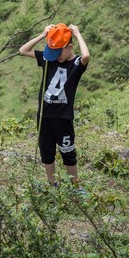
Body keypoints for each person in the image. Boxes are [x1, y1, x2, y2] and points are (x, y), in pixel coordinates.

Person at [18, 23, 90, 187]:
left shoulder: (76, 64)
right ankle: (52, 184)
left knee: (68, 152)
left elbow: (86, 56)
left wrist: (77, 34)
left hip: (63, 117)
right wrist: (43, 35)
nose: (56, 56)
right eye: (53, 52)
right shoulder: (48, 59)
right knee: (47, 153)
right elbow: (23, 50)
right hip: (44, 116)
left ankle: (75, 186)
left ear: (69, 47)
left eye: (59, 52)